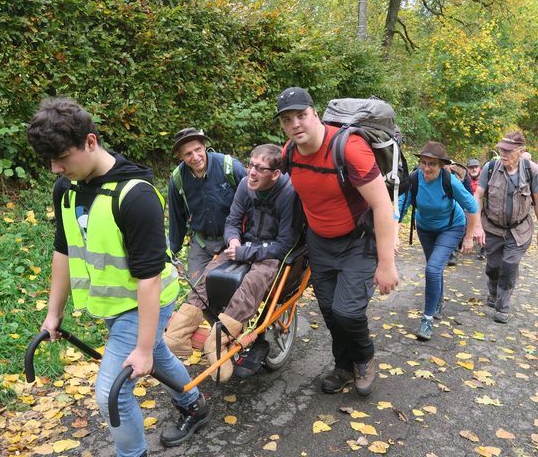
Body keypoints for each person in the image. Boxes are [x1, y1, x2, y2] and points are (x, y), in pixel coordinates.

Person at [26, 98, 212, 454]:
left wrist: (141, 348)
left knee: (111, 389)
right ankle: (194, 405)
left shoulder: (136, 197)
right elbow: (63, 250)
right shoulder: (66, 189)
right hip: (115, 302)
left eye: (62, 158)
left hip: (146, 299)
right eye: (50, 161)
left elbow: (149, 280)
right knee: (158, 353)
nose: (54, 168)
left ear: (91, 142)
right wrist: (54, 313)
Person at [276, 87, 398, 397]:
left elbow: (383, 206)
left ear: (314, 114)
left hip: (358, 242)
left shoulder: (349, 148)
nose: (295, 124)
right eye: (287, 120)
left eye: (301, 116)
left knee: (348, 312)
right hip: (320, 242)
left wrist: (386, 264)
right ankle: (343, 366)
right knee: (330, 311)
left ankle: (365, 359)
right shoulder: (288, 152)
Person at [165, 144, 297, 382]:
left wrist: (246, 252)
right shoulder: (246, 186)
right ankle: (178, 333)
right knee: (209, 274)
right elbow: (233, 220)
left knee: (252, 282)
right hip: (243, 244)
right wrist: (233, 240)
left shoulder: (288, 193)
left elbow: (284, 243)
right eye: (251, 164)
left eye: (260, 168)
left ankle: (219, 341)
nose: (252, 172)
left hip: (270, 253)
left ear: (275, 174)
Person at [398, 142, 478, 340]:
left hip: (452, 227)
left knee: (433, 268)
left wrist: (468, 237)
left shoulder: (449, 181)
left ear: (441, 165)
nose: (426, 168)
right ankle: (438, 301)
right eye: (423, 163)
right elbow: (399, 209)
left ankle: (427, 320)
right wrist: (390, 233)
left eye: (432, 164)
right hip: (425, 229)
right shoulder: (414, 179)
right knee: (435, 267)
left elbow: (472, 207)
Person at [473, 131, 538, 324]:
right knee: (493, 267)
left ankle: (502, 307)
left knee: (509, 266)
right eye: (501, 150)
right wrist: (476, 226)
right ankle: (492, 290)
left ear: (521, 151)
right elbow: (478, 196)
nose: (503, 154)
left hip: (519, 230)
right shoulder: (489, 168)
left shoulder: (531, 171)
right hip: (493, 228)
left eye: (508, 151)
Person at [168, 128, 247, 284]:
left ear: (204, 146)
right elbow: (176, 219)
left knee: (228, 287)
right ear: (180, 156)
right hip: (202, 243)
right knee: (197, 292)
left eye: (198, 149)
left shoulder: (230, 167)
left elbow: (253, 202)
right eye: (188, 154)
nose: (195, 157)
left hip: (233, 240)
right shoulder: (177, 179)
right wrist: (172, 252)